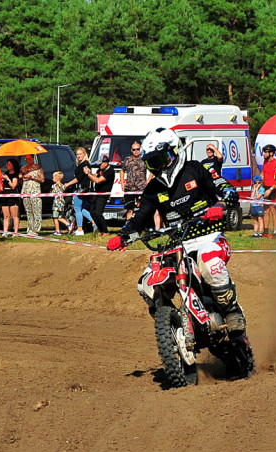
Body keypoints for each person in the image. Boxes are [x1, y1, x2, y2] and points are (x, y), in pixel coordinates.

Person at [107, 127, 249, 354]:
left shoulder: (195, 169)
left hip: (209, 237)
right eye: (153, 162)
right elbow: (140, 218)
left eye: (162, 158)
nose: (159, 165)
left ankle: (232, 312)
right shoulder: (153, 188)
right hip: (176, 243)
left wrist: (220, 206)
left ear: (174, 151)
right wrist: (123, 236)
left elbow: (226, 189)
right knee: (146, 284)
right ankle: (170, 321)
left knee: (210, 263)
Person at [64, 147, 94, 234]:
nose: (79, 156)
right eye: (77, 154)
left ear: (84, 154)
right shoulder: (85, 164)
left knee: (77, 208)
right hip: (84, 189)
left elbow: (78, 178)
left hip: (81, 189)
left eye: (80, 154)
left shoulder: (83, 164)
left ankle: (80, 229)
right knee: (81, 208)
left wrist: (68, 183)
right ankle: (93, 222)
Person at [260, 144, 276, 235]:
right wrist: (258, 183)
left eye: (266, 152)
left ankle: (275, 231)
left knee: (273, 210)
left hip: (273, 188)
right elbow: (263, 173)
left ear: (271, 153)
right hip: (265, 187)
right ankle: (265, 231)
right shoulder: (265, 162)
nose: (264, 154)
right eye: (264, 152)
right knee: (265, 210)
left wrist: (270, 189)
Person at [122, 140, 147, 220]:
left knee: (143, 209)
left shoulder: (145, 159)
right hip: (129, 188)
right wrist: (122, 183)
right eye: (134, 149)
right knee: (130, 209)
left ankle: (142, 226)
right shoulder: (127, 160)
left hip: (142, 188)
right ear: (131, 150)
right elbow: (122, 170)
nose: (136, 151)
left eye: (137, 149)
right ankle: (128, 225)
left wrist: (148, 180)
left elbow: (153, 169)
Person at [21, 153, 44, 236]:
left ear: (33, 158)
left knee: (36, 211)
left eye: (29, 158)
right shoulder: (23, 169)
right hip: (26, 191)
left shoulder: (38, 168)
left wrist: (32, 177)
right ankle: (30, 228)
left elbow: (42, 180)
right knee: (29, 211)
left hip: (35, 191)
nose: (28, 160)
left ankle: (36, 229)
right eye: (26, 159)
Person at [89, 156, 113, 234]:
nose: (99, 165)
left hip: (103, 194)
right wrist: (89, 173)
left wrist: (88, 175)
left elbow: (98, 180)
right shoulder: (101, 170)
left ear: (106, 163)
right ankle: (101, 230)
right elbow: (95, 176)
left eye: (100, 164)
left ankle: (105, 231)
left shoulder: (110, 171)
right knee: (92, 212)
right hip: (97, 193)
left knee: (98, 213)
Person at [0, 159, 21, 235]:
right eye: (7, 164)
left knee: (14, 215)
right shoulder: (6, 173)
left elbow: (13, 186)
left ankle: (15, 232)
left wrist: (8, 179)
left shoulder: (15, 175)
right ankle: (5, 231)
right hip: (4, 194)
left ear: (13, 166)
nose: (7, 166)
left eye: (9, 164)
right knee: (5, 215)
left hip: (12, 195)